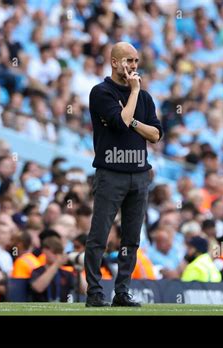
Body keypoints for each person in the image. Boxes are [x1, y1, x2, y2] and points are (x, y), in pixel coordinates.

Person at [84, 42, 162, 307]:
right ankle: (94, 292)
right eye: (128, 60)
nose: (133, 66)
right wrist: (135, 92)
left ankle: (122, 291)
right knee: (100, 235)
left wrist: (136, 121)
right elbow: (120, 122)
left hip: (140, 174)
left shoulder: (146, 97)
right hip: (111, 172)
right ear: (114, 62)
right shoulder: (101, 92)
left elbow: (156, 134)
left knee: (131, 238)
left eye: (136, 61)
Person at [30, 236, 85, 302]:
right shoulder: (38, 271)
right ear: (44, 250)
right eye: (54, 252)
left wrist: (78, 270)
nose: (57, 255)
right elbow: (38, 288)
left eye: (59, 252)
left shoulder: (66, 273)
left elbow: (83, 291)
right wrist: (57, 264)